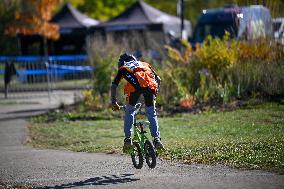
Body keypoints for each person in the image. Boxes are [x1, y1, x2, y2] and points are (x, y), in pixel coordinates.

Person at [111, 53, 164, 152]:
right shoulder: (145, 64)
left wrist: (113, 102)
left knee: (129, 111)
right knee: (151, 112)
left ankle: (128, 140)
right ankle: (157, 140)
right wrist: (155, 95)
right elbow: (158, 79)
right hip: (150, 86)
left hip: (135, 88)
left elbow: (114, 85)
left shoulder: (123, 67)